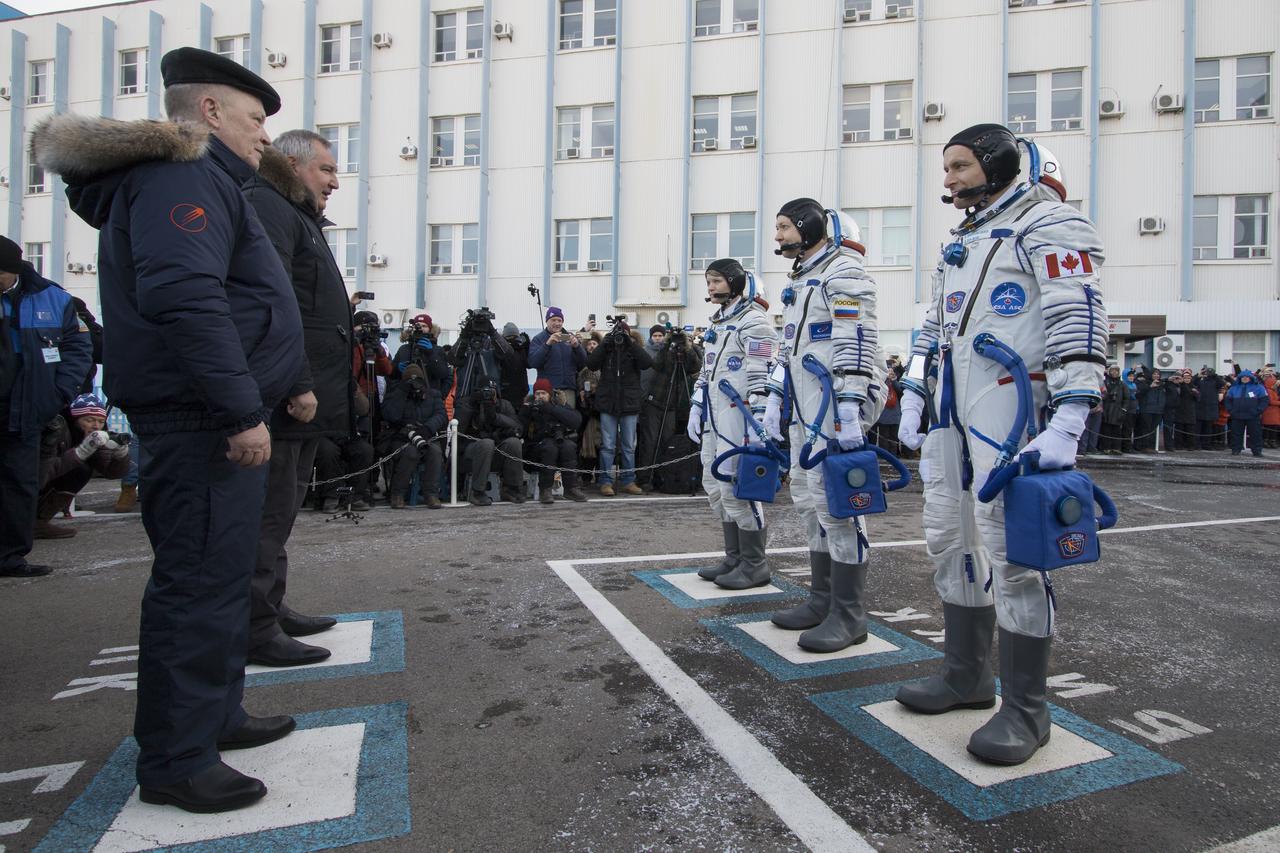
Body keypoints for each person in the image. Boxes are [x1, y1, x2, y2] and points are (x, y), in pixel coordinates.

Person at [35, 47, 304, 811]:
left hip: (208, 416)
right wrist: (239, 408)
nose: (263, 139)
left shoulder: (204, 179)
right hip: (203, 421)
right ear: (211, 111)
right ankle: (179, 758)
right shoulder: (181, 176)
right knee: (196, 587)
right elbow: (185, 297)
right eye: (255, 120)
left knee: (216, 585)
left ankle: (213, 716)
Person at [893, 125, 1109, 766]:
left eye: (959, 166)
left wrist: (1070, 416)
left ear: (997, 163)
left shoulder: (1049, 223)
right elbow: (935, 322)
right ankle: (966, 674)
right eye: (947, 167)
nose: (949, 180)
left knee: (1013, 554)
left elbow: (1081, 315)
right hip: (953, 413)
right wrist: (912, 388)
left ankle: (1027, 711)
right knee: (949, 536)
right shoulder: (964, 241)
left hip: (1015, 412)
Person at [241, 128, 355, 667]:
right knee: (268, 516)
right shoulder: (270, 206)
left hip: (306, 398)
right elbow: (276, 303)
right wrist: (299, 381)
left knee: (282, 513)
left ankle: (271, 606)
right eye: (326, 170)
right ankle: (255, 627)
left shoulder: (297, 214)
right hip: (289, 396)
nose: (335, 181)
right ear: (292, 164)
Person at [762, 201, 888, 647]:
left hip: (835, 402)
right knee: (808, 497)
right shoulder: (805, 279)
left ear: (809, 226)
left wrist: (851, 401)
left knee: (839, 504)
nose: (777, 236)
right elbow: (789, 345)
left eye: (783, 226)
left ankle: (849, 614)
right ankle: (823, 598)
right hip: (808, 403)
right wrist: (777, 396)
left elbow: (855, 336)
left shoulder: (843, 273)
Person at [685, 258, 781, 590]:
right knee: (714, 484)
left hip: (739, 417)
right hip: (716, 414)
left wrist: (758, 418)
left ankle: (755, 563)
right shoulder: (718, 324)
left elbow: (761, 374)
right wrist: (697, 404)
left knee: (736, 488)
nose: (710, 287)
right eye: (708, 281)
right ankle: (734, 557)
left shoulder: (755, 323)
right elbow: (708, 372)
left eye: (716, 281)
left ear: (734, 282)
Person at [0, 237, 93, 577]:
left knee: (20, 485)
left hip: (28, 410)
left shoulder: (54, 299)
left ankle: (10, 558)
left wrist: (58, 394)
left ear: (13, 271)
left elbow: (78, 348)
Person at [36, 393, 131, 539]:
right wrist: (80, 453)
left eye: (100, 421)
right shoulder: (56, 430)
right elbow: (40, 474)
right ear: (75, 418)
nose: (96, 425)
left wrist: (121, 454)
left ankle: (38, 523)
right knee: (78, 467)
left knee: (82, 471)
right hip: (29, 483)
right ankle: (23, 522)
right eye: (89, 420)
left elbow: (111, 473)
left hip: (45, 480)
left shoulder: (97, 434)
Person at [587, 316, 653, 496]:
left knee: (629, 446)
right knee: (607, 445)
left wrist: (630, 344)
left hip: (629, 403)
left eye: (623, 334)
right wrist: (604, 343)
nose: (619, 337)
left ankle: (628, 480)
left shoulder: (633, 350)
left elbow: (647, 363)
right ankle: (605, 481)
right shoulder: (606, 349)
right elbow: (591, 364)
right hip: (608, 403)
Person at [636, 325, 701, 491]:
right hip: (654, 402)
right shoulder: (666, 350)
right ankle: (645, 478)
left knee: (667, 442)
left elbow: (695, 367)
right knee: (650, 442)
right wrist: (667, 344)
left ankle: (664, 477)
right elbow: (656, 365)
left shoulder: (685, 352)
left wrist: (687, 345)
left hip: (672, 405)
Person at [379, 364, 447, 507]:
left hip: (425, 435)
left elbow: (441, 415)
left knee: (435, 451)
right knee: (411, 452)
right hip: (401, 437)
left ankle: (431, 494)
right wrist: (402, 393)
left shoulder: (433, 394)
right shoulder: (395, 394)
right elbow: (390, 415)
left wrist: (427, 428)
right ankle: (398, 494)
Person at [454, 378, 524, 505]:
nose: (488, 395)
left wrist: (495, 417)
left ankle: (511, 488)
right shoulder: (466, 403)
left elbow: (517, 426)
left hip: (496, 453)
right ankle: (477, 492)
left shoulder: (504, 405)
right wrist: (472, 404)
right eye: (484, 392)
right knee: (486, 443)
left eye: (491, 392)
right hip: (470, 455)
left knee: (514, 443)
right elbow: (458, 430)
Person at [521, 377, 587, 503]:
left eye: (543, 393)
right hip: (535, 451)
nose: (540, 396)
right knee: (550, 447)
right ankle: (545, 489)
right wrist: (528, 411)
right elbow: (521, 429)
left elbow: (576, 420)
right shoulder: (529, 407)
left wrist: (551, 409)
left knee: (569, 446)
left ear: (550, 394)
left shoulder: (558, 405)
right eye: (537, 393)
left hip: (559, 445)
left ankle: (571, 488)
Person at [528, 307, 586, 407]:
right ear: (547, 321)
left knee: (568, 419)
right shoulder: (538, 339)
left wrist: (577, 346)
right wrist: (547, 345)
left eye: (559, 320)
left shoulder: (569, 337)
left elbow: (583, 363)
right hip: (548, 390)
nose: (557, 323)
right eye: (553, 320)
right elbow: (533, 362)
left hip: (568, 389)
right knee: (549, 419)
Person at [392, 313, 452, 397]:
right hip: (406, 395)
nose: (421, 329)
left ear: (430, 329)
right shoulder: (404, 349)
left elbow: (443, 374)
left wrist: (431, 353)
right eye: (418, 326)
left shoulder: (438, 350)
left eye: (424, 326)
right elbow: (391, 375)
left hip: (429, 397)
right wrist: (397, 368)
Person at [1224, 370, 1267, 457]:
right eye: (1243, 377)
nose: (1245, 378)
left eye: (1247, 377)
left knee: (1255, 434)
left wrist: (1258, 410)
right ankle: (1236, 449)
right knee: (1236, 434)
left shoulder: (1259, 388)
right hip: (1237, 415)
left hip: (1253, 415)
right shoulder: (1234, 388)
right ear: (1240, 378)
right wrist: (1231, 411)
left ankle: (1257, 450)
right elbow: (1228, 400)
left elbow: (1264, 400)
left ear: (1251, 378)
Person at [499, 322, 531, 410]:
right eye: (509, 338)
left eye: (514, 338)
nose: (512, 341)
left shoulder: (522, 349)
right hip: (506, 391)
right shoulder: (501, 349)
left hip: (520, 391)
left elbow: (529, 364)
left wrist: (527, 346)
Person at [1135, 369, 1165, 451]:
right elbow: (1138, 394)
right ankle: (1143, 446)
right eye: (1154, 374)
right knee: (1145, 429)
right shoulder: (1145, 383)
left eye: (1158, 374)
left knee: (1153, 429)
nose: (1156, 376)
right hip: (1146, 409)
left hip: (1158, 410)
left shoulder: (1162, 385)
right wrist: (1150, 387)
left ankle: (1151, 446)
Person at [1195, 366, 1225, 449]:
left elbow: (1222, 383)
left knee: (1208, 428)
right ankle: (1197, 444)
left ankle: (1206, 444)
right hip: (1200, 407)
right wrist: (1199, 375)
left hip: (1211, 408)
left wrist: (1215, 375)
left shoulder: (1215, 381)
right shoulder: (1201, 381)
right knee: (1198, 428)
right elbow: (1193, 382)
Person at [1100, 365, 1126, 454]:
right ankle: (1106, 447)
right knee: (1106, 430)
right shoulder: (1105, 382)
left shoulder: (1122, 384)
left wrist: (1124, 410)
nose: (1114, 373)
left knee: (1117, 430)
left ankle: (1116, 448)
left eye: (1116, 371)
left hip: (1117, 410)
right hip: (1107, 409)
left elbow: (1126, 398)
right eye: (1113, 371)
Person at [1261, 367, 1280, 449]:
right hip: (1270, 412)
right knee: (1269, 428)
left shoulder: (1272, 391)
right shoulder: (1269, 391)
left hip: (1273, 412)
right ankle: (1268, 441)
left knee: (1272, 427)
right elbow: (1270, 401)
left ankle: (1270, 441)